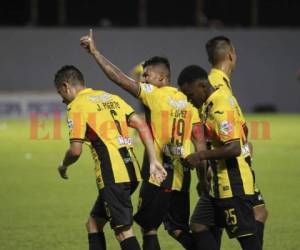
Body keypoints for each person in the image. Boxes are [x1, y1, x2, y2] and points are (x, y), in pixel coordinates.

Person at [80, 30, 206, 250]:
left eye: (146, 75)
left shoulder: (153, 94)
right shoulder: (188, 103)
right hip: (182, 176)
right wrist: (203, 179)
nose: (143, 79)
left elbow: (117, 77)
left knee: (149, 228)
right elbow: (200, 144)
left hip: (158, 175)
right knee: (177, 228)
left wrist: (95, 53)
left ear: (162, 78)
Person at [54, 65, 167, 250]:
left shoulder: (77, 106)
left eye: (60, 93)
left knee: (123, 232)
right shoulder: (110, 98)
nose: (62, 100)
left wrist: (63, 165)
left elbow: (75, 150)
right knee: (93, 223)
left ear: (66, 86)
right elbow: (142, 125)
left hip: (112, 175)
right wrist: (153, 160)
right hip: (131, 172)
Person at [178, 65, 262, 250]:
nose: (189, 100)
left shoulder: (220, 106)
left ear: (201, 86)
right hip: (218, 184)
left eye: (190, 94)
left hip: (234, 184)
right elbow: (243, 129)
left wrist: (200, 155)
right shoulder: (207, 105)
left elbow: (233, 148)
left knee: (247, 238)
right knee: (198, 224)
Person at [205, 35, 268, 247]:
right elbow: (204, 127)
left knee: (259, 211)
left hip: (239, 168)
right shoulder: (214, 87)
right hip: (229, 173)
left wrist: (244, 142)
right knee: (235, 228)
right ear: (231, 55)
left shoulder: (221, 83)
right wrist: (206, 165)